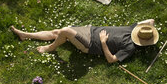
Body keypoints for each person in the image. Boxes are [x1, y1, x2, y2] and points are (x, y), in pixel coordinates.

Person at [11, 19, 159, 63]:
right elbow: (151, 20)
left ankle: (50, 48)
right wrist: (148, 30)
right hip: (89, 30)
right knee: (57, 32)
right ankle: (25, 35)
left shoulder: (130, 47)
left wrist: (103, 42)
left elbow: (112, 60)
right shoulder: (133, 29)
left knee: (64, 31)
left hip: (90, 44)